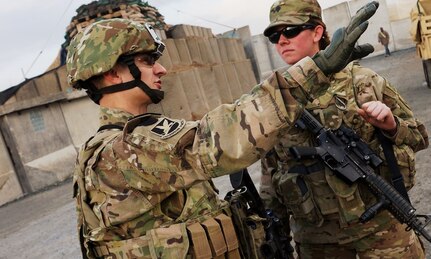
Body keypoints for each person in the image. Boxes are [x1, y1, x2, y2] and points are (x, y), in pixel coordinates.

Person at [66, 5, 376, 258]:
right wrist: (316, 69)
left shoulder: (136, 138)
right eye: (147, 61)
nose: (160, 69)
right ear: (110, 72)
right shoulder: (121, 150)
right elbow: (226, 135)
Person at [260, 0, 429, 258]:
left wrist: (392, 126)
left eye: (291, 31)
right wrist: (275, 235)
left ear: (317, 32)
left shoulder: (363, 80)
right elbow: (271, 173)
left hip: (382, 233)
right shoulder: (273, 98)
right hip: (318, 242)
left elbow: (419, 137)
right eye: (274, 35)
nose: (281, 40)